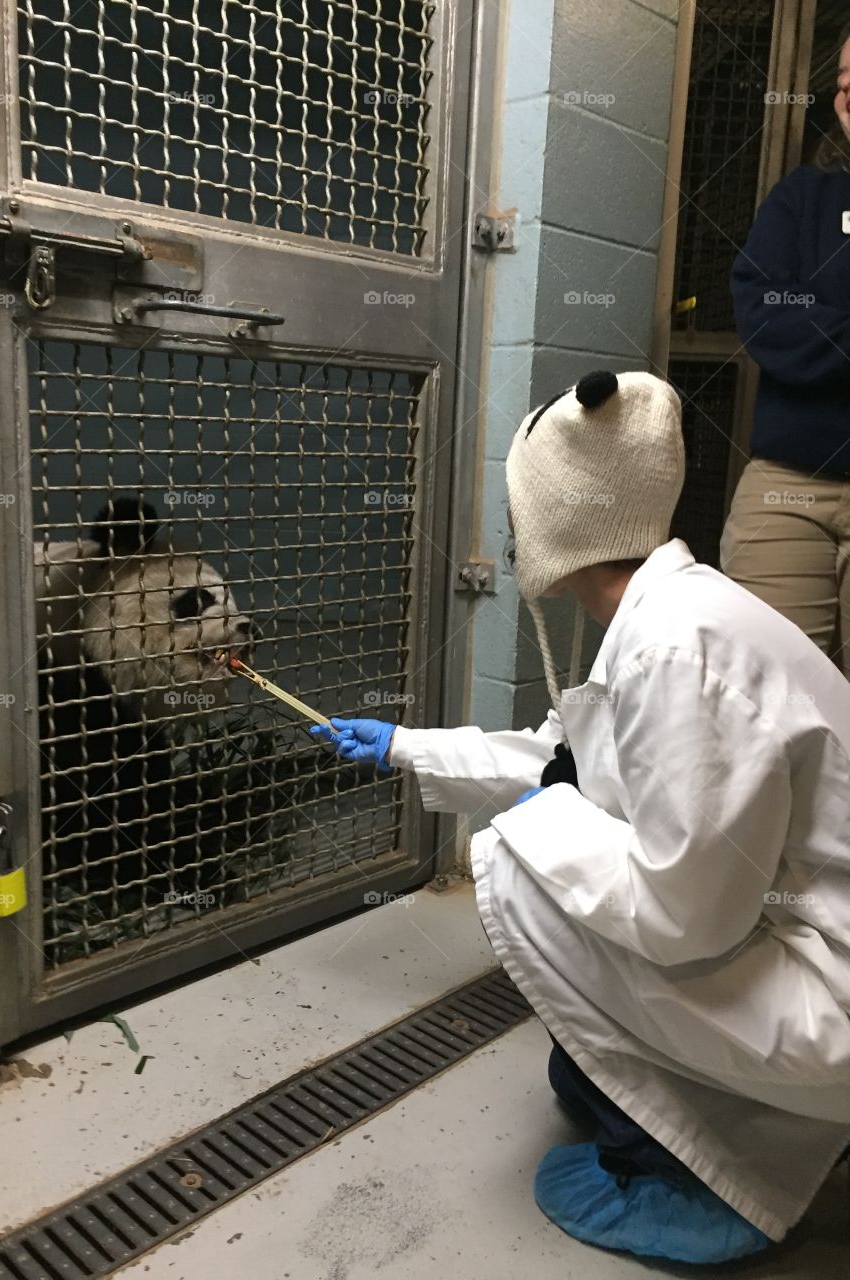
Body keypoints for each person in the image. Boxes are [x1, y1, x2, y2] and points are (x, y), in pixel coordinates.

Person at [313, 370, 850, 1265]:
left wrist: (540, 823)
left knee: (522, 869)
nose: (514, 531)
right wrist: (406, 745)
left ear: (561, 515)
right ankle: (657, 1098)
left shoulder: (681, 649)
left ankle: (715, 1180)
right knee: (547, 851)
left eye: (520, 508)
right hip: (802, 941)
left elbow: (685, 915)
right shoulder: (671, 615)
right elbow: (563, 759)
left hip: (828, 995)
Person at [722, 21, 850, 674]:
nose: (847, 96)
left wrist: (827, 328)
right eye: (844, 84)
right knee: (763, 698)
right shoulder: (804, 197)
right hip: (787, 487)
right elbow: (765, 314)